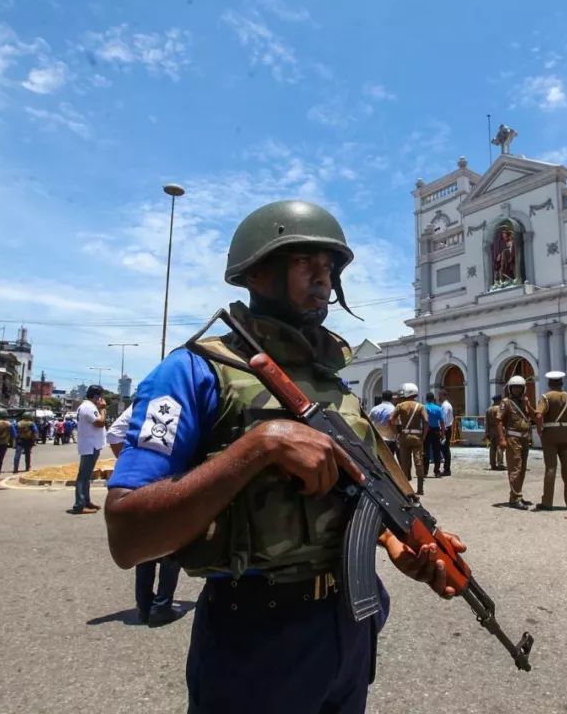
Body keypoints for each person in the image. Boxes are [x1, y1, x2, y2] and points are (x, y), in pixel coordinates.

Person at [103, 200, 463, 712]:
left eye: (330, 268)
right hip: (254, 640)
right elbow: (128, 536)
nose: (324, 279)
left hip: (347, 629)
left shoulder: (334, 385)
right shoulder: (192, 372)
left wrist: (392, 539)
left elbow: (349, 492)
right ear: (256, 272)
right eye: (305, 263)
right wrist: (260, 445)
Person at [107, 405, 181, 626]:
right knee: (170, 547)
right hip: (169, 479)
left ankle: (144, 606)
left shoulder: (141, 404)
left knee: (146, 546)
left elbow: (114, 434)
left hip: (141, 481)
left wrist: (128, 463)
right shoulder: (175, 398)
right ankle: (161, 606)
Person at [534, 372, 567, 511]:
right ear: (561, 383)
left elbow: (539, 414)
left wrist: (540, 429)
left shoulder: (546, 397)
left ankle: (547, 502)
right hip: (566, 434)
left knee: (551, 468)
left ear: (549, 384)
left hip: (550, 434)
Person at [496, 375, 534, 509]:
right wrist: (502, 439)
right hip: (513, 438)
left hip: (524, 438)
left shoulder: (523, 403)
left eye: (520, 388)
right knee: (515, 468)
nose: (517, 390)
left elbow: (534, 416)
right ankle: (514, 498)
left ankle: (518, 495)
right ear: (510, 389)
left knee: (522, 468)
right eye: (515, 388)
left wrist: (527, 405)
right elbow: (499, 420)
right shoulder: (506, 402)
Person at [71, 385, 107, 514]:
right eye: (101, 396)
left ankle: (86, 501)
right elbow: (100, 423)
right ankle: (79, 504)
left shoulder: (88, 407)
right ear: (97, 396)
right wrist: (102, 410)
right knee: (83, 476)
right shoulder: (88, 407)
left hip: (91, 444)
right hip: (90, 445)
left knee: (86, 476)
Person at [391, 383, 428, 494]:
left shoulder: (400, 406)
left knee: (404, 463)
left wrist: (396, 432)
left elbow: (391, 419)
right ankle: (420, 488)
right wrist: (423, 436)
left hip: (404, 437)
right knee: (419, 461)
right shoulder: (420, 406)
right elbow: (426, 421)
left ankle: (405, 488)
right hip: (417, 437)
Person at [368, 390, 397, 457]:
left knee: (379, 460)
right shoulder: (394, 409)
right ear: (391, 398)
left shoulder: (375, 409)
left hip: (378, 439)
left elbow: (368, 421)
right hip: (390, 439)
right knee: (389, 461)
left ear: (382, 397)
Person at [422, 393, 444, 478]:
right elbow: (442, 422)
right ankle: (437, 471)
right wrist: (442, 433)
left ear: (426, 399)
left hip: (426, 431)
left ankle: (425, 471)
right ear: (433, 399)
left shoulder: (424, 407)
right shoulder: (438, 408)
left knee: (426, 451)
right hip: (436, 431)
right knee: (437, 452)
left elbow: (423, 421)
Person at [486, 395, 505, 470]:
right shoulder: (499, 409)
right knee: (499, 446)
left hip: (491, 430)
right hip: (498, 429)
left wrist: (487, 432)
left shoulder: (489, 409)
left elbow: (487, 422)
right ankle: (500, 463)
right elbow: (501, 420)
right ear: (499, 400)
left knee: (492, 447)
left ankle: (492, 464)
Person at [437, 389, 454, 477]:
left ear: (444, 396)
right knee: (445, 449)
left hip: (445, 429)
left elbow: (443, 419)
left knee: (445, 449)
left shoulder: (445, 406)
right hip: (446, 428)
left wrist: (442, 431)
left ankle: (447, 469)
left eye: (439, 395)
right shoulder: (444, 405)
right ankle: (446, 468)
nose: (438, 397)